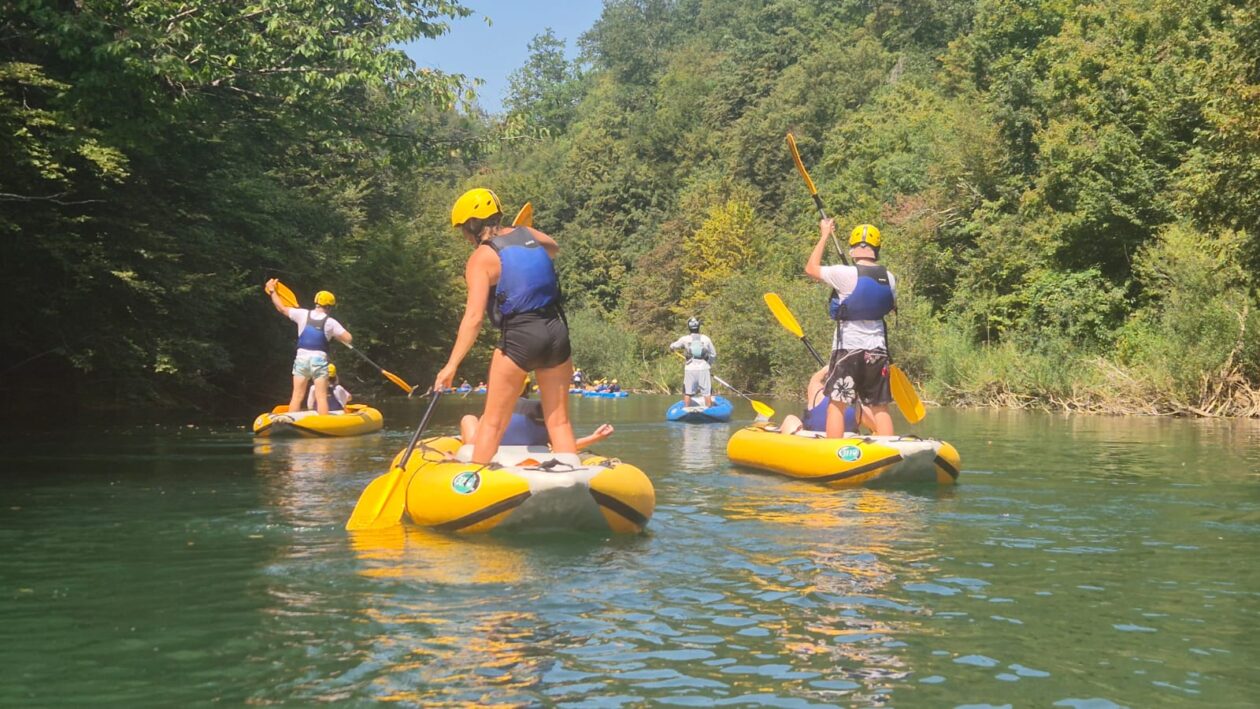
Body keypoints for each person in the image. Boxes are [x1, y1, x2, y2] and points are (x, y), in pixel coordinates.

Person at [434, 188, 577, 465]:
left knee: (493, 424)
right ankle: (571, 480)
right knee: (559, 421)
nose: (464, 236)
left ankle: (473, 481)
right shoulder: (529, 235)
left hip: (521, 336)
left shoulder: (481, 259)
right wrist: (523, 242)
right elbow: (553, 249)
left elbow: (474, 317)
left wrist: (451, 366)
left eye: (464, 229)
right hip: (556, 331)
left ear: (473, 225)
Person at [805, 221, 896, 436]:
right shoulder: (889, 278)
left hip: (848, 349)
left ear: (853, 247)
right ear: (877, 249)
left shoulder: (843, 274)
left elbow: (810, 268)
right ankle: (890, 450)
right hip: (877, 350)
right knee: (879, 406)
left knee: (837, 403)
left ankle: (833, 451)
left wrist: (825, 235)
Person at [265, 280, 352, 416]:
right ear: (330, 307)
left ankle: (291, 423)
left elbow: (281, 308)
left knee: (297, 395)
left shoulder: (302, 314)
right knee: (321, 396)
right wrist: (335, 335)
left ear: (316, 302)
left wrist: (272, 291)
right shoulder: (330, 322)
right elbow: (348, 338)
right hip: (318, 360)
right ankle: (323, 425)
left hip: (301, 359)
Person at [460, 384, 614, 450]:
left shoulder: (492, 413)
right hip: (533, 464)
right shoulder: (541, 412)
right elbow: (564, 446)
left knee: (468, 419)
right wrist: (595, 437)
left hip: (492, 456)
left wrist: (454, 457)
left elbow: (472, 447)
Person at [778, 366, 871, 435]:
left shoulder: (818, 394)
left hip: (811, 444)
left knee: (790, 419)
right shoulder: (859, 408)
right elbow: (876, 427)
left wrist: (827, 368)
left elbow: (814, 380)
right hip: (842, 447)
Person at [669, 317, 716, 408]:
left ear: (689, 328)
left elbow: (673, 346)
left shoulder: (684, 339)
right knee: (707, 392)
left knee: (688, 392)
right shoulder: (706, 339)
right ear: (699, 327)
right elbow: (713, 354)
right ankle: (708, 409)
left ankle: (686, 409)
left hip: (690, 368)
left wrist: (671, 348)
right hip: (704, 368)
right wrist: (708, 364)